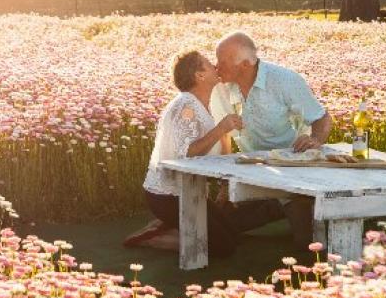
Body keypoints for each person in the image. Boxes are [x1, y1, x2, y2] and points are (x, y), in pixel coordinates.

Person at [140, 50, 277, 257]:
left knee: (233, 236)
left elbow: (219, 145)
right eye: (208, 64)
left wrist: (223, 185)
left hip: (191, 191)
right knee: (222, 247)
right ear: (199, 75)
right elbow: (184, 155)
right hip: (167, 196)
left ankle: (180, 229)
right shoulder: (185, 106)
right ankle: (156, 238)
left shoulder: (202, 103)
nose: (215, 66)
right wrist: (221, 128)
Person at [211, 31, 333, 250]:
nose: (216, 67)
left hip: (291, 168)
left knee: (306, 244)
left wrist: (315, 140)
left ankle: (290, 204)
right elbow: (224, 136)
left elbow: (321, 117)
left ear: (246, 64)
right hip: (252, 168)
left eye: (222, 62)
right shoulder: (221, 86)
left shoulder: (285, 80)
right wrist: (224, 184)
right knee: (218, 224)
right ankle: (275, 205)